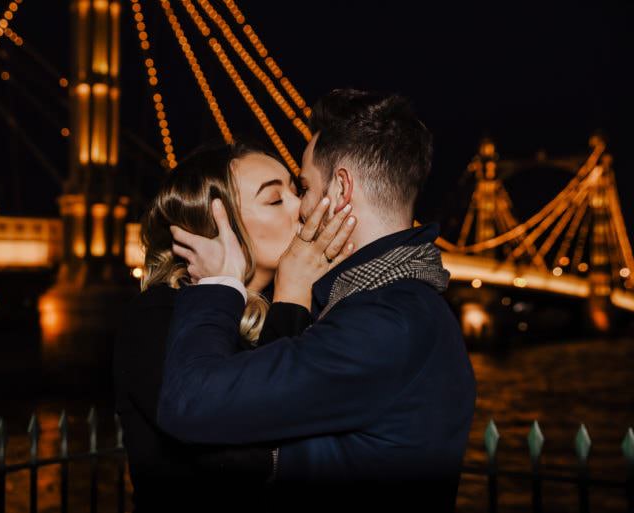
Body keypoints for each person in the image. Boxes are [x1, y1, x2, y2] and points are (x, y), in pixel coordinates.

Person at [158, 90, 477, 511]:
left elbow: (190, 404)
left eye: (304, 187)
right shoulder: (398, 306)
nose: (301, 208)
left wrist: (217, 285)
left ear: (341, 188)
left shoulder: (383, 324)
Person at [112, 141, 356, 512]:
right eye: (275, 200)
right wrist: (292, 295)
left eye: (296, 191)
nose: (302, 206)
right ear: (216, 229)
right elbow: (250, 453)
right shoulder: (157, 316)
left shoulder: (317, 305)